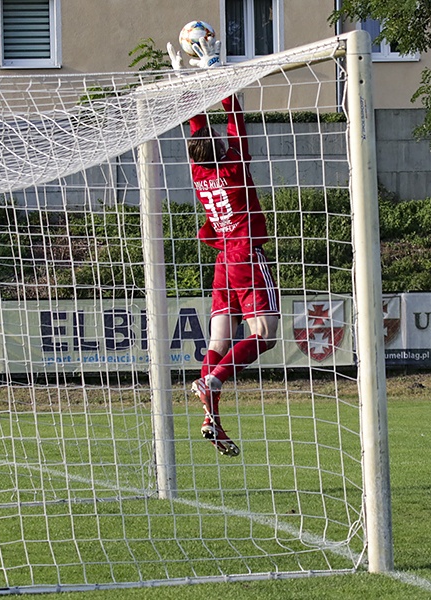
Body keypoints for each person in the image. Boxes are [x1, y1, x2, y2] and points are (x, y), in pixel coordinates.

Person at [168, 36, 279, 457]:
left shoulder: (199, 172)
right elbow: (234, 116)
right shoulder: (233, 166)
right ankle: (215, 382)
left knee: (216, 345)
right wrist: (216, 67)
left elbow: (197, 125)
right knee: (265, 337)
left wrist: (185, 80)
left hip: (220, 262)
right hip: (245, 256)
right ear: (222, 147)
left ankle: (211, 415)